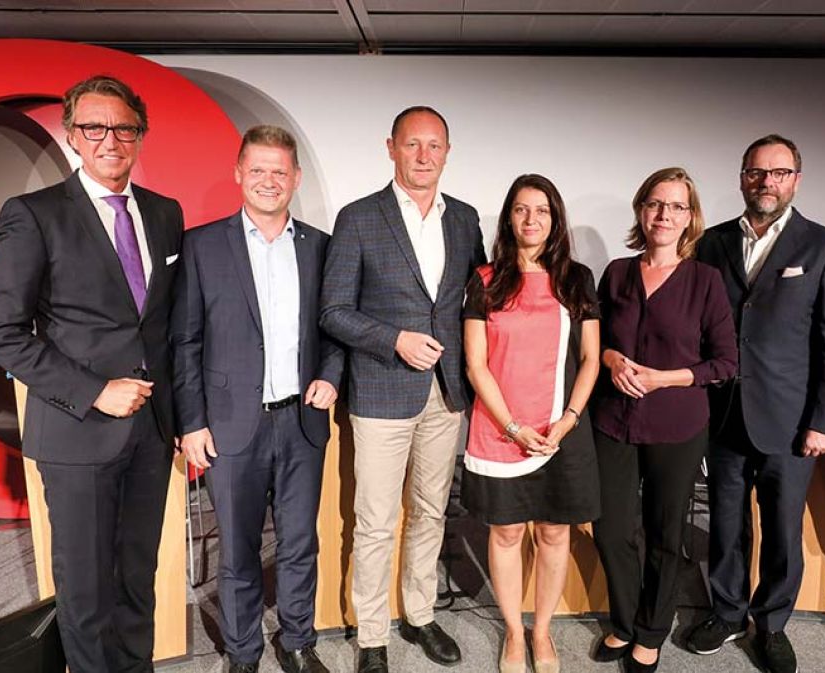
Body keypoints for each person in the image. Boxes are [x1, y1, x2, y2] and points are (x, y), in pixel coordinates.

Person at [0, 75, 183, 673]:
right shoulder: (33, 215)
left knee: (137, 581)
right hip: (76, 433)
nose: (109, 140)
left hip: (150, 433)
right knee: (87, 591)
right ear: (72, 136)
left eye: (123, 127)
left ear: (139, 136)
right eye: (94, 127)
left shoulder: (164, 213)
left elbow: (163, 327)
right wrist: (96, 391)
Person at [170, 125, 343, 673]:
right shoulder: (201, 245)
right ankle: (243, 651)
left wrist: (332, 373)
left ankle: (296, 640)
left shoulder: (320, 246)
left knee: (298, 542)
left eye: (280, 171)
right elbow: (186, 339)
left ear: (295, 178)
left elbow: (335, 325)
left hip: (302, 423)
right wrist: (192, 421)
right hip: (229, 425)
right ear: (239, 173)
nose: (270, 181)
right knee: (239, 548)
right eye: (259, 170)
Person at [319, 106, 486, 673]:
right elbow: (334, 311)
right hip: (382, 391)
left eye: (434, 145)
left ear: (447, 151)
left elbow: (480, 305)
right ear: (390, 147)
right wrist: (395, 340)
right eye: (412, 144)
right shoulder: (359, 218)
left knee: (432, 512)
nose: (423, 156)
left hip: (447, 394)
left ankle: (419, 615)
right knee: (375, 520)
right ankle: (371, 635)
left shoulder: (464, 220)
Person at [688, 134, 825, 673]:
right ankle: (728, 611)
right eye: (757, 172)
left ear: (796, 181)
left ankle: (774, 622)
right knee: (725, 522)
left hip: (792, 419)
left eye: (779, 173)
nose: (767, 182)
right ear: (742, 177)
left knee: (783, 528)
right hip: (723, 413)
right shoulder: (710, 243)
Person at [591, 168, 737, 672]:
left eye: (676, 206)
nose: (664, 215)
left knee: (665, 531)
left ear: (690, 217)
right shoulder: (615, 272)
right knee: (609, 529)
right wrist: (611, 361)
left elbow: (724, 362)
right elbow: (597, 342)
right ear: (641, 210)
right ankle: (626, 621)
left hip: (677, 424)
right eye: (656, 204)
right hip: (613, 419)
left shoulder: (705, 280)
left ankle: (651, 630)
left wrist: (664, 379)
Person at [461, 174, 600, 673]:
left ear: (555, 219)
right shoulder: (484, 280)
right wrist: (515, 426)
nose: (531, 219)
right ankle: (514, 634)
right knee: (505, 535)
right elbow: (476, 365)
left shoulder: (577, 279)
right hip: (502, 431)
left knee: (554, 534)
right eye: (521, 210)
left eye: (541, 211)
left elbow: (589, 360)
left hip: (561, 431)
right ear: (509, 218)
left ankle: (542, 633)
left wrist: (567, 421)